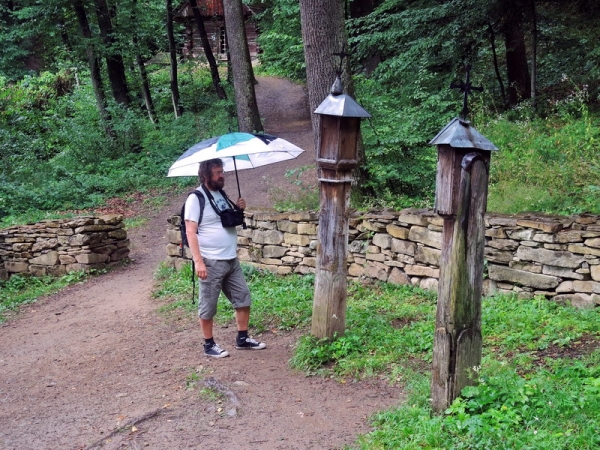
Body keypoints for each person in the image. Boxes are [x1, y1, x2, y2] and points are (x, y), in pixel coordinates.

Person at [184, 158, 266, 358]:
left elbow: (226, 220)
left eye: (222, 171)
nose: (222, 175)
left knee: (243, 298)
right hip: (211, 261)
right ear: (206, 175)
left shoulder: (220, 194)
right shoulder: (196, 198)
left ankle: (243, 338)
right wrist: (199, 261)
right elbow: (190, 231)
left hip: (230, 259)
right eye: (218, 172)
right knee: (208, 305)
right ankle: (209, 345)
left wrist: (239, 208)